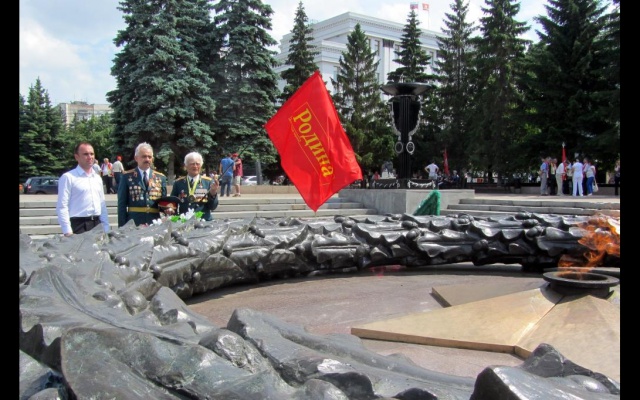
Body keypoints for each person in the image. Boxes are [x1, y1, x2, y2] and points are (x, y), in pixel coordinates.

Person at [56, 142, 110, 236]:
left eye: (92, 154)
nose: (90, 157)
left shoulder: (97, 178)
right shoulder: (68, 177)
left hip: (97, 225)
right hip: (79, 225)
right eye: (85, 154)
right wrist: (67, 231)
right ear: (76, 157)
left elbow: (102, 205)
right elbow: (62, 206)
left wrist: (106, 228)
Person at [117, 142, 167, 227]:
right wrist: (122, 227)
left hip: (155, 223)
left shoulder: (160, 178)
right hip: (134, 223)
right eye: (144, 156)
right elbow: (122, 204)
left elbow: (164, 204)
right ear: (136, 158)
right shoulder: (127, 177)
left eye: (149, 157)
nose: (147, 159)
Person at [170, 152, 219, 221]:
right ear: (186, 166)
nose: (195, 166)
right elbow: (172, 203)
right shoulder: (178, 183)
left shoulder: (208, 182)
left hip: (204, 222)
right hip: (185, 222)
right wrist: (174, 216)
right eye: (192, 164)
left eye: (197, 164)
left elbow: (213, 207)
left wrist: (213, 192)